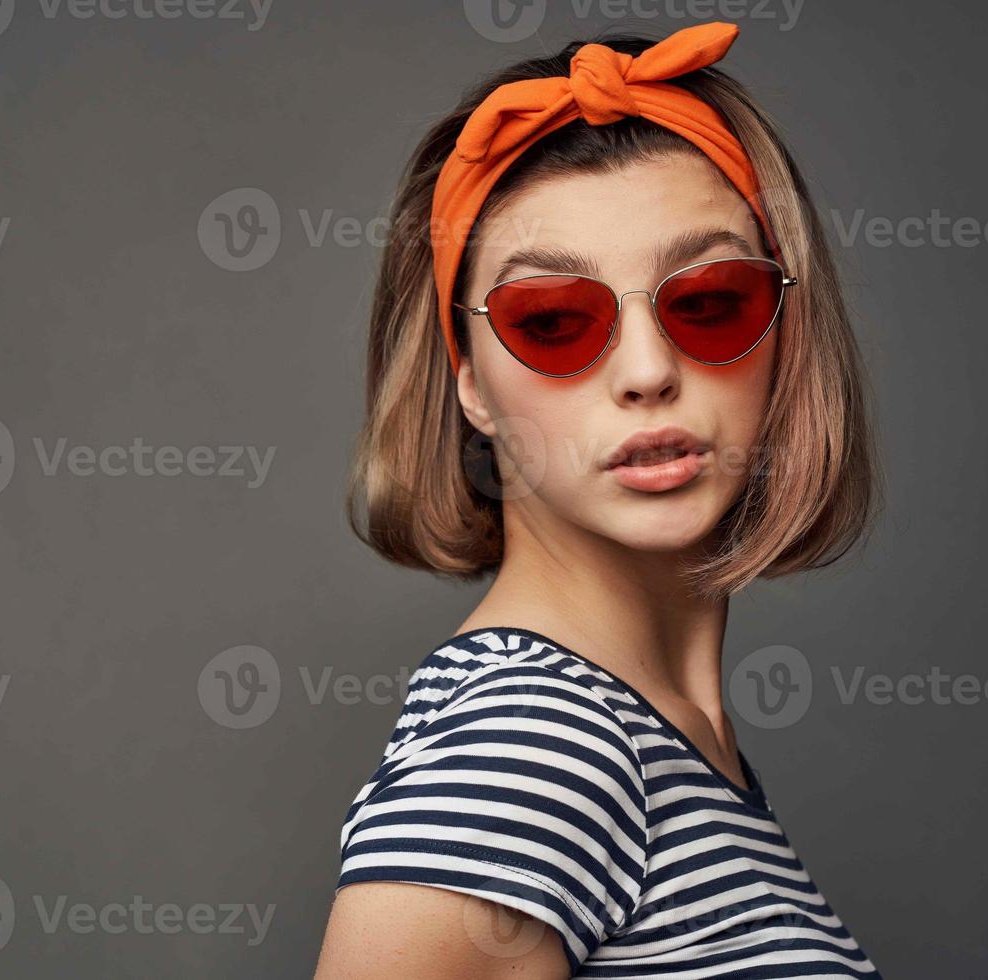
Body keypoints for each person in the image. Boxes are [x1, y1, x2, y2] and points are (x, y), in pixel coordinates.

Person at [314, 22, 882, 979]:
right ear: (469, 381)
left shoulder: (661, 738)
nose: (649, 371)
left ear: (788, 328)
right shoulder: (536, 746)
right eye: (555, 321)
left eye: (710, 300)